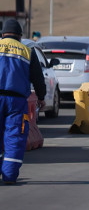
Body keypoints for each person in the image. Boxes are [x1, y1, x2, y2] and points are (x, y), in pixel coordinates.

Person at [0, 19, 46, 185]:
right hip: (17, 102)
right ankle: (9, 176)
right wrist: (41, 97)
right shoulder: (27, 51)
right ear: (19, 36)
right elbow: (38, 78)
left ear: (3, 34)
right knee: (15, 138)